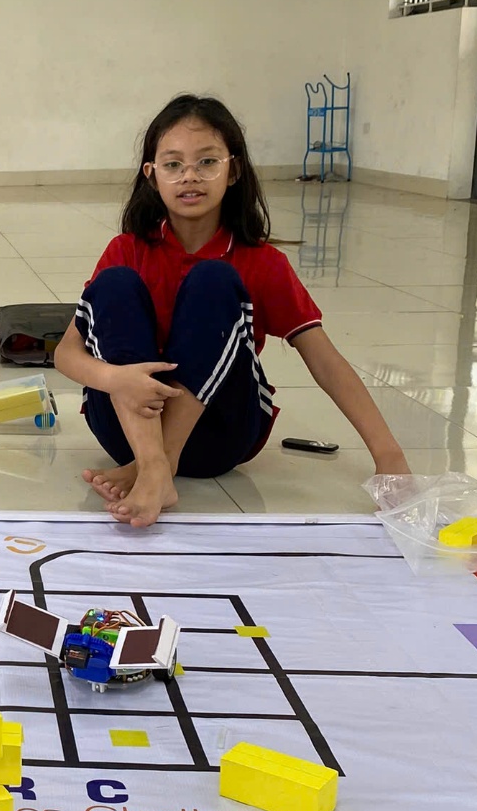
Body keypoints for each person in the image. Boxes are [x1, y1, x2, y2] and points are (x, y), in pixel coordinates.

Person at [52, 93, 409, 528]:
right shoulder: (127, 250)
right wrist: (116, 379)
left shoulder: (262, 262)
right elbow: (66, 353)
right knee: (115, 284)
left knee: (214, 281)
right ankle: (152, 463)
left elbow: (326, 361)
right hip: (126, 433)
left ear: (233, 170)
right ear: (152, 175)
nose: (190, 176)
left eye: (207, 162)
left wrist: (388, 455)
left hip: (220, 436)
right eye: (173, 164)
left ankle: (159, 466)